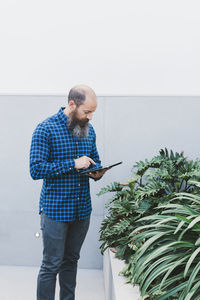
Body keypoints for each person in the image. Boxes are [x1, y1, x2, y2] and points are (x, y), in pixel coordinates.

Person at [29, 85, 106, 300]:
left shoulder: (89, 130)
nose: (90, 117)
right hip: (55, 210)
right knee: (51, 265)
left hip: (81, 210)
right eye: (87, 111)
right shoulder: (45, 129)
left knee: (71, 261)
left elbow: (94, 160)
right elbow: (36, 169)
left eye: (93, 112)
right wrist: (73, 164)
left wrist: (96, 172)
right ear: (72, 105)